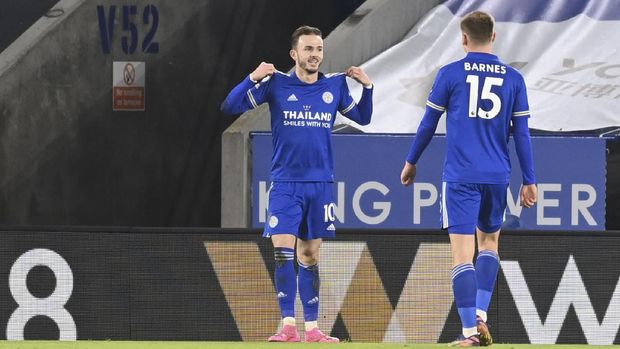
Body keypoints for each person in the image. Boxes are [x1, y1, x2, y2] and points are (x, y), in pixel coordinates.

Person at [221, 25, 374, 343]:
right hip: (286, 184)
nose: (315, 54)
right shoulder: (276, 84)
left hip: (320, 185)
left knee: (310, 256)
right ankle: (288, 325)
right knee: (282, 253)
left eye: (318, 49)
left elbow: (363, 118)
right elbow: (230, 106)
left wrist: (367, 87)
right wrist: (253, 76)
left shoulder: (335, 87)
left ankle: (313, 329)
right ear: (294, 54)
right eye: (308, 49)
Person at [400, 11, 537, 347]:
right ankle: (481, 313)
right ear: (494, 37)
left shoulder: (450, 74)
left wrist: (411, 161)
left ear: (463, 39)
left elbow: (428, 124)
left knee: (462, 255)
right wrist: (530, 179)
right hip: (497, 175)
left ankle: (469, 333)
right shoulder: (513, 78)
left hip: (461, 175)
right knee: (489, 244)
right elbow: (522, 134)